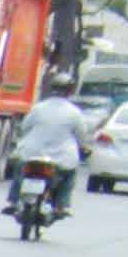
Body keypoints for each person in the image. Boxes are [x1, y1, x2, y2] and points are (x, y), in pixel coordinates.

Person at [16, 75, 94, 217]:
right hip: (60, 158)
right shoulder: (74, 113)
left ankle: (13, 200)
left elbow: (25, 127)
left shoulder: (39, 108)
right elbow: (82, 136)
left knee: (20, 170)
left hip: (33, 153)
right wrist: (85, 147)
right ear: (71, 91)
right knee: (69, 176)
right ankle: (60, 205)